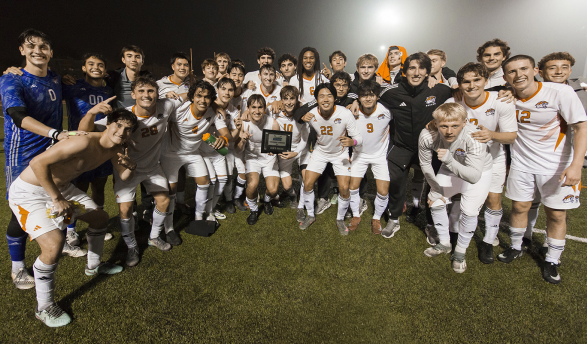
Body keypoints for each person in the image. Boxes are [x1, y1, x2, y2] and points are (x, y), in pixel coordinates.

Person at [9, 106, 138, 327]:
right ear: (108, 124)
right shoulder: (83, 141)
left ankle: (94, 265)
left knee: (100, 218)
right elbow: (37, 163)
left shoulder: (117, 148)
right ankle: (44, 307)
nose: (121, 132)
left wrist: (131, 166)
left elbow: (125, 176)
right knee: (53, 245)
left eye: (128, 129)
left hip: (62, 189)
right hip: (30, 192)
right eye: (118, 125)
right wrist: (56, 198)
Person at [0, 29, 88, 291]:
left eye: (44, 46)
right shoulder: (11, 79)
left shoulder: (55, 78)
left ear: (51, 52)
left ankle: (61, 241)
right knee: (21, 211)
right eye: (31, 46)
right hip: (23, 154)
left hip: (52, 150)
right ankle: (18, 269)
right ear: (22, 51)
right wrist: (55, 133)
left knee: (58, 196)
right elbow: (18, 116)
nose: (38, 50)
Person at [498, 55, 587, 284]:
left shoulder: (560, 92)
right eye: (512, 72)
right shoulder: (507, 97)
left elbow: (580, 127)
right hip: (522, 164)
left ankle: (552, 259)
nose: (519, 75)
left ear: (535, 69)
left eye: (524, 69)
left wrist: (576, 165)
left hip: (556, 165)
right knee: (519, 207)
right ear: (505, 76)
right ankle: (517, 246)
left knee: (556, 214)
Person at [79, 77, 182, 265]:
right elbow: (84, 131)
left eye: (151, 91)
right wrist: (90, 113)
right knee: (125, 211)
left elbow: (187, 97)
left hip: (152, 166)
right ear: (133, 94)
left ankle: (154, 236)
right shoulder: (122, 117)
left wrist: (175, 93)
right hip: (126, 168)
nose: (146, 95)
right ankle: (132, 246)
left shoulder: (166, 106)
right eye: (141, 91)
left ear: (157, 94)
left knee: (164, 200)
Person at [444, 62, 517, 264]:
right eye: (466, 82)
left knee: (493, 200)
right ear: (459, 85)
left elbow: (511, 136)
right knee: (461, 198)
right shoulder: (454, 102)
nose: (472, 85)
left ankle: (487, 241)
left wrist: (491, 135)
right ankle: (455, 233)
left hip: (494, 159)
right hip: (464, 160)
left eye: (477, 80)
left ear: (486, 81)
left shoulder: (501, 101)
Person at [377, 52, 453, 239]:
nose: (416, 72)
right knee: (395, 182)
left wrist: (504, 91)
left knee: (435, 185)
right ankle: (394, 218)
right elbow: (368, 98)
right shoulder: (391, 92)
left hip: (430, 147)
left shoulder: (440, 90)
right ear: (404, 71)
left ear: (428, 72)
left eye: (421, 68)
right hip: (401, 146)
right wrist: (354, 102)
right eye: (412, 68)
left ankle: (431, 222)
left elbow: (463, 93)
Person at [419, 103, 493, 273]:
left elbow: (474, 176)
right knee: (435, 201)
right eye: (444, 126)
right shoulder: (427, 135)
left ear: (465, 122)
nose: (449, 131)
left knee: (469, 211)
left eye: (455, 126)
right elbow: (425, 163)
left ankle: (460, 251)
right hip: (449, 167)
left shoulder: (474, 136)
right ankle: (445, 243)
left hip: (478, 172)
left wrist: (450, 161)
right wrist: (435, 188)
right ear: (435, 123)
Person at [524, 52, 587, 245]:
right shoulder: (530, 91)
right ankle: (525, 237)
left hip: (564, 160)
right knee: (529, 203)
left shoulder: (581, 93)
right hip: (531, 159)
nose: (559, 71)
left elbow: (581, 128)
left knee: (558, 210)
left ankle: (551, 250)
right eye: (553, 68)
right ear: (540, 72)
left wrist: (578, 163)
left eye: (565, 67)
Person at [62, 53, 116, 245]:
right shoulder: (71, 86)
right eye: (91, 64)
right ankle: (70, 229)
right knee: (77, 189)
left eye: (100, 65)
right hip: (79, 147)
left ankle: (96, 223)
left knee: (99, 186)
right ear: (83, 68)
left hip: (101, 146)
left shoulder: (109, 91)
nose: (96, 67)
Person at [158, 80, 226, 223]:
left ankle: (199, 217)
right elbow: (160, 109)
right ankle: (168, 226)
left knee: (204, 182)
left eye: (207, 97)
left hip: (193, 153)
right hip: (171, 153)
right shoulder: (179, 109)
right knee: (171, 190)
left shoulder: (213, 111)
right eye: (199, 96)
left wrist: (224, 139)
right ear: (192, 97)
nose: (203, 100)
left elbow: (226, 134)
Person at [299, 83, 363, 234]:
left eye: (329, 95)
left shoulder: (344, 113)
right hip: (320, 152)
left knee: (344, 188)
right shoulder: (312, 114)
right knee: (307, 183)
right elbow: (297, 116)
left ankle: (340, 219)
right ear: (316, 100)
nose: (325, 99)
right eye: (321, 96)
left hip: (340, 154)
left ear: (334, 98)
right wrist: (302, 116)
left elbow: (358, 138)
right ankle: (310, 215)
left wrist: (352, 142)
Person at [348, 80, 392, 234]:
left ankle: (376, 217)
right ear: (358, 97)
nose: (368, 98)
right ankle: (355, 215)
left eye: (371, 95)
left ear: (377, 96)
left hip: (379, 156)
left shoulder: (386, 111)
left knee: (383, 190)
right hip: (359, 155)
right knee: (352, 187)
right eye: (364, 95)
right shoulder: (352, 112)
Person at [157, 52, 193, 214]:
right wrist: (164, 95)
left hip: (182, 134)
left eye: (186, 65)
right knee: (164, 172)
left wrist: (182, 95)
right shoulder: (160, 84)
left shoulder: (190, 85)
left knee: (182, 170)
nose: (183, 67)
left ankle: (179, 202)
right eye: (179, 64)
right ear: (172, 66)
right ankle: (160, 205)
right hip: (162, 135)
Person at [236, 95, 281, 225]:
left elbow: (277, 145)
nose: (257, 111)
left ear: (264, 108)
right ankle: (254, 210)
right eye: (253, 107)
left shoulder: (273, 123)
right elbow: (238, 150)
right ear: (248, 108)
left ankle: (266, 201)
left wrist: (275, 149)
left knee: (272, 190)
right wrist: (243, 140)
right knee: (252, 185)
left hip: (269, 158)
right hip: (252, 158)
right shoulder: (243, 123)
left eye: (260, 107)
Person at [200, 77, 235, 220]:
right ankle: (201, 212)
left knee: (223, 179)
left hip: (218, 151)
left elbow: (228, 134)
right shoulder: (207, 105)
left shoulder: (229, 111)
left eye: (230, 90)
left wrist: (225, 138)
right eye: (223, 89)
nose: (227, 93)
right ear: (217, 90)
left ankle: (211, 209)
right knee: (210, 182)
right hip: (201, 150)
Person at [274, 86, 310, 209]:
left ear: (297, 100)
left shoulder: (302, 114)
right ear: (281, 100)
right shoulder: (276, 112)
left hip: (301, 149)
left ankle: (306, 205)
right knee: (287, 186)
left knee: (307, 181)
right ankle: (292, 194)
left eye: (292, 99)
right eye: (286, 99)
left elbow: (305, 139)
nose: (289, 102)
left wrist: (295, 152)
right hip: (285, 150)